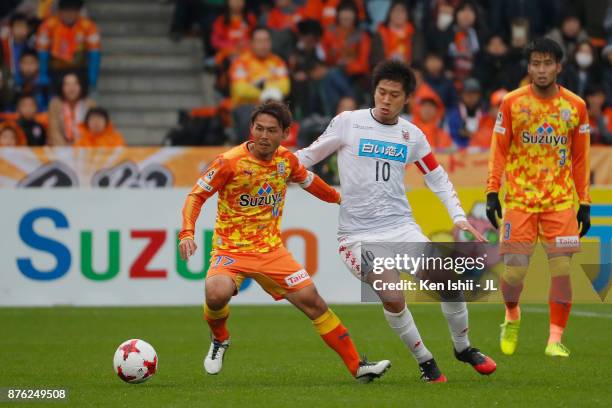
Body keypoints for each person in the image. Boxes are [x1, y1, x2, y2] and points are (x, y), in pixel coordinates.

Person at [296, 60, 496, 382]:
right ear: (373, 92)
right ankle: (425, 361)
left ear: (406, 100)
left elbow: (437, 177)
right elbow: (307, 157)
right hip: (357, 235)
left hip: (401, 227)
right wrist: (269, 164)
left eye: (394, 95)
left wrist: (457, 216)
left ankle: (463, 347)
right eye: (381, 92)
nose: (386, 100)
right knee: (392, 293)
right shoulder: (348, 122)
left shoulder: (412, 134)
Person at [178, 100, 391, 382]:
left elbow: (311, 182)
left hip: (271, 252)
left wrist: (340, 199)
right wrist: (187, 233)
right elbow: (196, 196)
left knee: (313, 302)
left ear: (285, 133)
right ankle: (220, 339)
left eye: (271, 130)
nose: (263, 136)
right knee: (216, 293)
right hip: (231, 250)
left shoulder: (286, 161)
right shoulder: (229, 162)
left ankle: (358, 367)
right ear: (251, 129)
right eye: (258, 129)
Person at [486, 38, 591, 358]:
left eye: (547, 63)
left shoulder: (576, 106)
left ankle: (555, 339)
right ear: (528, 67)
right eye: (535, 63)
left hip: (559, 204)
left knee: (561, 269)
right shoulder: (512, 103)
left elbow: (580, 158)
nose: (541, 69)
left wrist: (583, 202)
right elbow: (499, 149)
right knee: (514, 273)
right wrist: (492, 191)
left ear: (559, 66)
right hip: (519, 202)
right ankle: (512, 314)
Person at [229, 26, 289, 142]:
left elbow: (285, 87)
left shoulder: (277, 62)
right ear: (251, 43)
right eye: (259, 41)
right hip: (247, 107)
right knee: (249, 113)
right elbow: (241, 90)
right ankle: (244, 152)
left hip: (272, 106)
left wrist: (261, 88)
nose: (263, 45)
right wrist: (267, 93)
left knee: (283, 111)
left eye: (266, 41)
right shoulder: (241, 63)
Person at [35, 0, 101, 93]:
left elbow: (94, 53)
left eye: (73, 11)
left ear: (78, 12)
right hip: (55, 70)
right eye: (66, 11)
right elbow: (42, 52)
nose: (70, 14)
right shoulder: (48, 25)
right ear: (59, 12)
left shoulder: (88, 26)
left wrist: (92, 76)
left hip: (79, 69)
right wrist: (42, 73)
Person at [47, 71, 95, 145]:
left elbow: (93, 130)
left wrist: (81, 146)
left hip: (84, 147)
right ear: (61, 87)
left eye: (75, 84)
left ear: (81, 86)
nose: (71, 88)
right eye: (67, 84)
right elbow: (54, 131)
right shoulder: (55, 104)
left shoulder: (90, 104)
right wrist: (65, 152)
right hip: (60, 148)